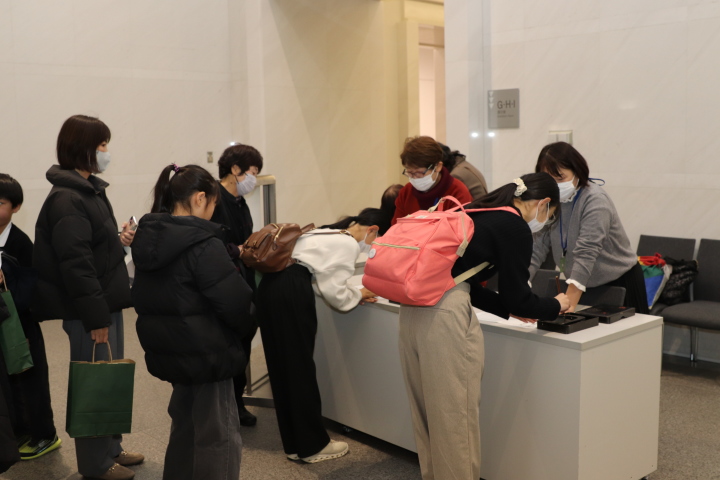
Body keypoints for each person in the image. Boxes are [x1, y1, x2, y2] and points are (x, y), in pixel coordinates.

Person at [398, 173, 570, 480]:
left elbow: (462, 280)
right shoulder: (514, 225)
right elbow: (519, 298)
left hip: (412, 311)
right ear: (544, 203)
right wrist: (556, 305)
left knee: (426, 414)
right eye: (551, 214)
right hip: (444, 316)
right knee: (454, 418)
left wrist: (507, 309)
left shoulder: (476, 211)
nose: (546, 221)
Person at [33, 115, 141, 480]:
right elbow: (76, 266)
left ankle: (111, 448)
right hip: (88, 310)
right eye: (102, 145)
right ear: (83, 148)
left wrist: (119, 241)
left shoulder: (89, 190)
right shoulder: (67, 198)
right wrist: (96, 318)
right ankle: (96, 464)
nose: (107, 152)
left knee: (109, 377)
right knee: (94, 384)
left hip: (104, 303)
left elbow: (94, 250)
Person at [132, 164, 254, 480]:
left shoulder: (149, 237)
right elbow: (235, 302)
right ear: (200, 198)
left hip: (172, 348)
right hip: (207, 350)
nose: (213, 213)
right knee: (218, 435)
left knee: (184, 428)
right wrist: (247, 324)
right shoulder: (203, 243)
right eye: (213, 204)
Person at [255, 208, 381, 463]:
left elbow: (322, 277)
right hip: (291, 293)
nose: (372, 247)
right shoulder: (347, 243)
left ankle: (294, 444)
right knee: (300, 369)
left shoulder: (325, 232)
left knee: (282, 369)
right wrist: (358, 293)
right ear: (373, 230)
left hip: (269, 290)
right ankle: (313, 446)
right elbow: (336, 294)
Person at [531, 142, 649, 314]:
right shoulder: (550, 201)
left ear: (577, 171)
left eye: (560, 178)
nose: (555, 185)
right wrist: (520, 284)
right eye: (549, 179)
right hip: (580, 282)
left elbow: (587, 252)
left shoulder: (595, 199)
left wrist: (569, 303)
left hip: (618, 283)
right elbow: (536, 248)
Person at [0, 174, 59, 461]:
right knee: (9, 382)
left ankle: (45, 435)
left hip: (22, 325)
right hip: (2, 323)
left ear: (16, 207)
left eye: (0, 203)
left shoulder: (21, 243)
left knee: (31, 380)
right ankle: (19, 431)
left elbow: (29, 293)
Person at [210, 144, 263, 427]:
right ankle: (227, 405)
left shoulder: (239, 202)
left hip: (242, 280)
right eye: (252, 172)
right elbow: (214, 244)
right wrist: (238, 251)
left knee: (242, 345)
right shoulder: (215, 201)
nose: (254, 179)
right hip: (224, 283)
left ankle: (236, 401)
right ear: (235, 169)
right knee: (228, 347)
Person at [392, 136, 472, 225]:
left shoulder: (457, 192)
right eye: (410, 172)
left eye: (419, 172)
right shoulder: (406, 192)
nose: (414, 177)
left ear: (438, 167)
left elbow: (461, 229)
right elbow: (396, 227)